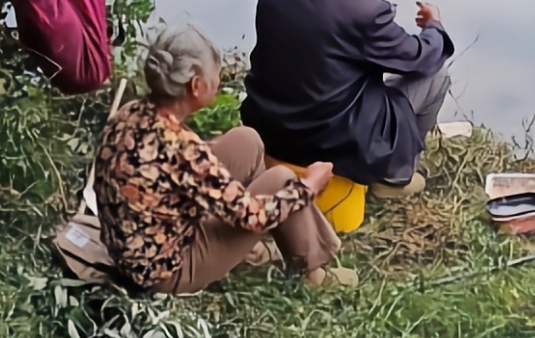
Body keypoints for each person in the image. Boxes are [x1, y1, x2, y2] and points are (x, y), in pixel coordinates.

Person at [94, 25, 356, 293]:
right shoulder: (186, 152)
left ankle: (257, 247)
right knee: (283, 181)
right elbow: (253, 217)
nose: (218, 82)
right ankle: (312, 275)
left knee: (246, 140)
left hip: (138, 237)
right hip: (165, 269)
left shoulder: (131, 112)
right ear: (196, 86)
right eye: (214, 76)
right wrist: (310, 185)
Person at [241, 0, 453, 199]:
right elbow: (420, 58)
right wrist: (435, 27)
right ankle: (394, 176)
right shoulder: (365, 10)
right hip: (327, 139)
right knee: (435, 77)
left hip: (270, 128)